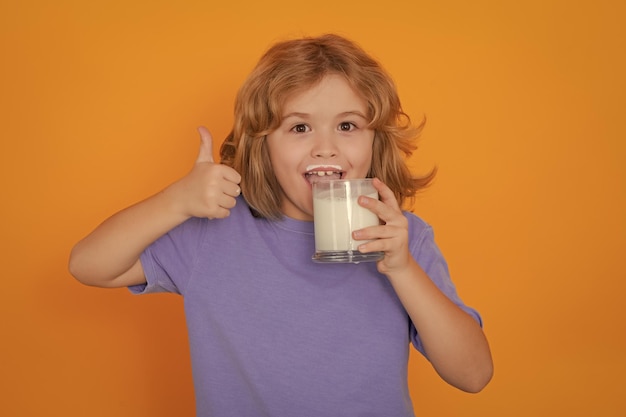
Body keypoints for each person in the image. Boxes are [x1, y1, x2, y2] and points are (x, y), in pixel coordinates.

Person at [69, 33, 493, 416]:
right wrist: (174, 202)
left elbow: (473, 375)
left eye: (347, 126)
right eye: (300, 127)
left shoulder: (403, 237)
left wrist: (403, 270)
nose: (325, 148)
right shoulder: (213, 232)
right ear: (262, 146)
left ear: (375, 141)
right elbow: (88, 264)